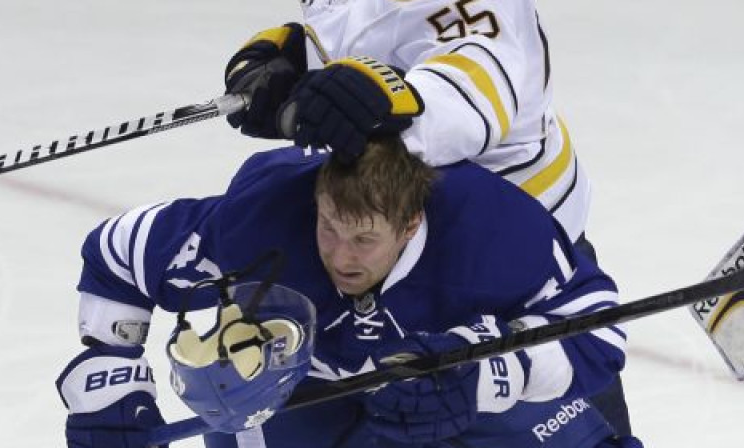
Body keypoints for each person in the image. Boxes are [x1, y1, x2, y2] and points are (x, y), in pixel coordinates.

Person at [56, 135, 641, 447]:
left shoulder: (493, 232)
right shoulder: (258, 219)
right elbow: (118, 252)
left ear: (410, 224)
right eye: (329, 227)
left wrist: (483, 378)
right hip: (298, 386)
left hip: (445, 377)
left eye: (364, 239)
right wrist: (110, 378)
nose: (340, 256)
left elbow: (598, 327)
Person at [221, 0, 632, 435]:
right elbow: (374, 33)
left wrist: (379, 104)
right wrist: (300, 63)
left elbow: (473, 81)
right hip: (385, 255)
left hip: (512, 267)